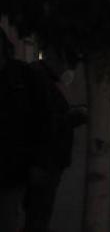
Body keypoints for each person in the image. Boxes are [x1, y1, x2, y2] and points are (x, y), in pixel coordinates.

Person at [22, 54, 86, 232]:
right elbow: (44, 121)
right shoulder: (40, 79)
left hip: (50, 160)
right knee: (38, 214)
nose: (67, 70)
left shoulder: (49, 80)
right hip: (45, 160)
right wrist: (70, 118)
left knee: (40, 213)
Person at [0, 34, 46, 232]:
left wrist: (37, 161)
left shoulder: (22, 76)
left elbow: (39, 120)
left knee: (9, 218)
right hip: (13, 167)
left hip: (12, 169)